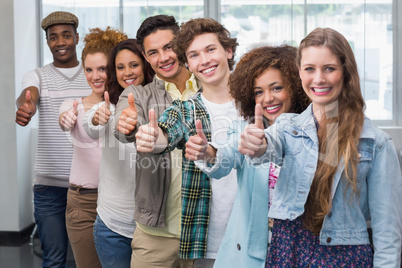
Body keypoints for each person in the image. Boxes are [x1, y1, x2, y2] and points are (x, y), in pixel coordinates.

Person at [239, 28, 402, 267]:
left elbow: (387, 231)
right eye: (309, 69)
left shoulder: (375, 143)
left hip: (344, 258)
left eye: (329, 68)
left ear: (345, 73)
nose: (318, 79)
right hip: (288, 251)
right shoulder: (287, 127)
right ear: (299, 73)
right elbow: (267, 147)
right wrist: (256, 144)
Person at [185, 45, 310, 267]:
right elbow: (228, 155)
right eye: (259, 92)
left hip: (301, 247)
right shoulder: (244, 129)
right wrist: (209, 152)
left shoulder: (312, 131)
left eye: (277, 88)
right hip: (252, 250)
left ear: (295, 86)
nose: (268, 98)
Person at [135, 18, 239, 268]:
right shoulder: (186, 110)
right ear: (188, 63)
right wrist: (154, 137)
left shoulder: (257, 103)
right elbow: (166, 131)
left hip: (255, 237)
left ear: (229, 50)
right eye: (194, 55)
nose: (204, 60)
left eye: (210, 49)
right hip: (208, 242)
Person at [114, 15, 199, 268]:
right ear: (146, 57)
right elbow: (123, 125)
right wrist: (126, 124)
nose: (163, 58)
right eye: (153, 52)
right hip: (155, 234)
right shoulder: (137, 95)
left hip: (205, 231)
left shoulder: (209, 89)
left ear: (182, 43)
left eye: (169, 47)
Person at [15, 11, 92, 267]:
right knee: (54, 259)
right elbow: (28, 93)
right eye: (53, 37)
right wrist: (26, 106)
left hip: (90, 185)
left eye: (66, 35)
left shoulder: (92, 74)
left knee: (93, 259)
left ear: (77, 37)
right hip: (49, 187)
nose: (60, 42)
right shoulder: (38, 74)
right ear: (47, 41)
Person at [59, 26, 127, 268]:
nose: (96, 76)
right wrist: (65, 120)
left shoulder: (127, 106)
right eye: (89, 69)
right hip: (84, 203)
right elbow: (64, 119)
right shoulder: (74, 105)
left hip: (122, 201)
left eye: (102, 69)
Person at [82, 38, 154, 268]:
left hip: (154, 227)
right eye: (120, 67)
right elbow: (89, 126)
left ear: (145, 64)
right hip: (112, 225)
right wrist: (96, 118)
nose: (127, 73)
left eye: (133, 65)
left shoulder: (161, 103)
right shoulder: (107, 106)